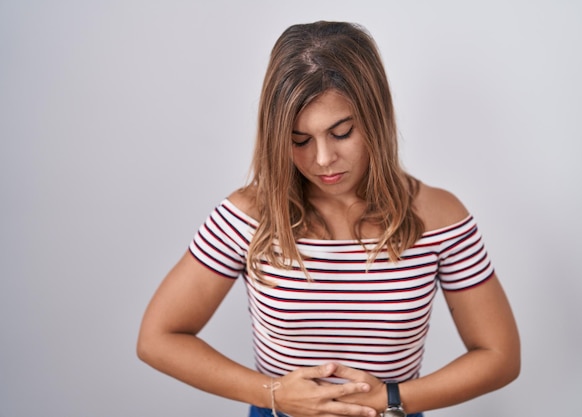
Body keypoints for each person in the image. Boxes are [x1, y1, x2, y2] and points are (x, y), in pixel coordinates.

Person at [137, 21, 520, 417]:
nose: (322, 160)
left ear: (376, 118)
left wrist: (390, 398)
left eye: (341, 133)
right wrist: (272, 394)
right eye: (299, 140)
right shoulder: (247, 216)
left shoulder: (439, 217)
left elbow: (499, 354)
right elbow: (157, 337)